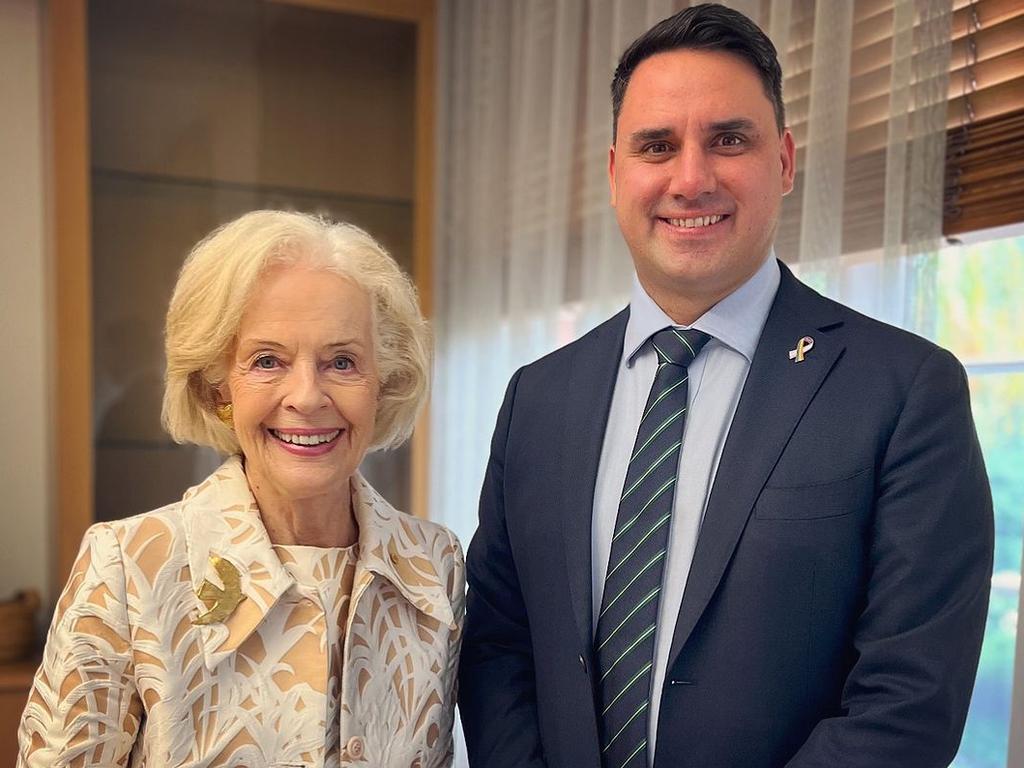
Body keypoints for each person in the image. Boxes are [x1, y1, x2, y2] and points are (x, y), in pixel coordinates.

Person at [458, 4, 993, 768]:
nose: (691, 177)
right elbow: (500, 647)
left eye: (728, 140)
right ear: (616, 175)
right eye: (657, 146)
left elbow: (910, 702)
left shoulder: (906, 392)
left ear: (783, 161)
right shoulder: (537, 399)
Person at [19, 210, 464, 767]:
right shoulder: (128, 569)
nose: (306, 396)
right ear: (216, 387)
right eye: (267, 361)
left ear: (385, 382)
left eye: (342, 361)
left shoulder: (435, 566)